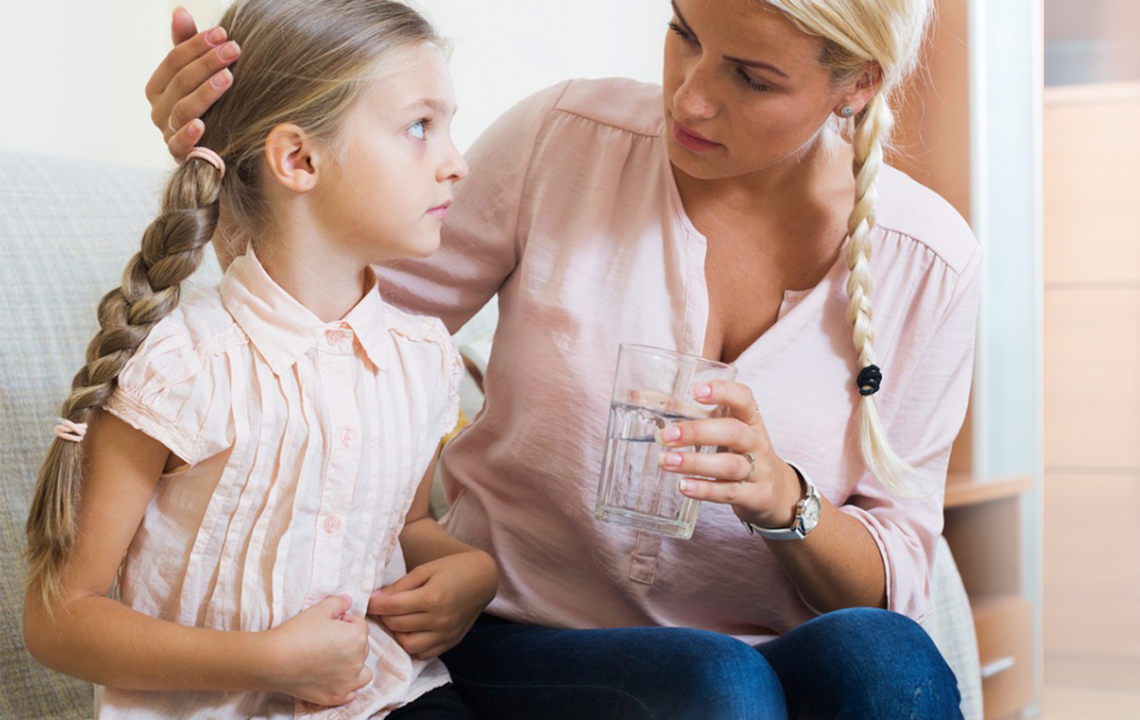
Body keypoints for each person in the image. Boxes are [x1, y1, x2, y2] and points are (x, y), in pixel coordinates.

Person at [150, 0, 979, 717]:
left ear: (857, 84)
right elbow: (333, 322)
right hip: (517, 633)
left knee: (887, 662)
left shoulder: (929, 265)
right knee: (716, 685)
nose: (690, 96)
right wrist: (223, 149)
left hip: (777, 650)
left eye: (752, 78)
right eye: (683, 33)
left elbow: (896, 578)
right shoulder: (566, 142)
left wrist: (782, 498)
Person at [22, 1, 495, 718]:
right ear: (299, 159)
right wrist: (269, 661)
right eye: (420, 127)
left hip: (390, 700)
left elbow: (398, 527)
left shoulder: (424, 360)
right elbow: (59, 618)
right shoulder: (182, 368)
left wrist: (472, 570)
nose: (457, 164)